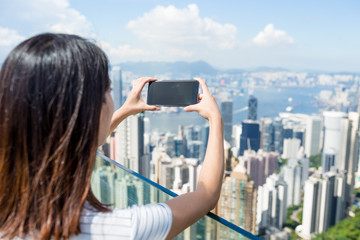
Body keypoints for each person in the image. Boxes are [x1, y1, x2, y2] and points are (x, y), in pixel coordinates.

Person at [0, 33, 224, 240]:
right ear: (89, 111)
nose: (111, 97)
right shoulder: (123, 229)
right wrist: (215, 120)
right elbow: (207, 195)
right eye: (107, 90)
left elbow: (74, 145)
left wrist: (125, 110)